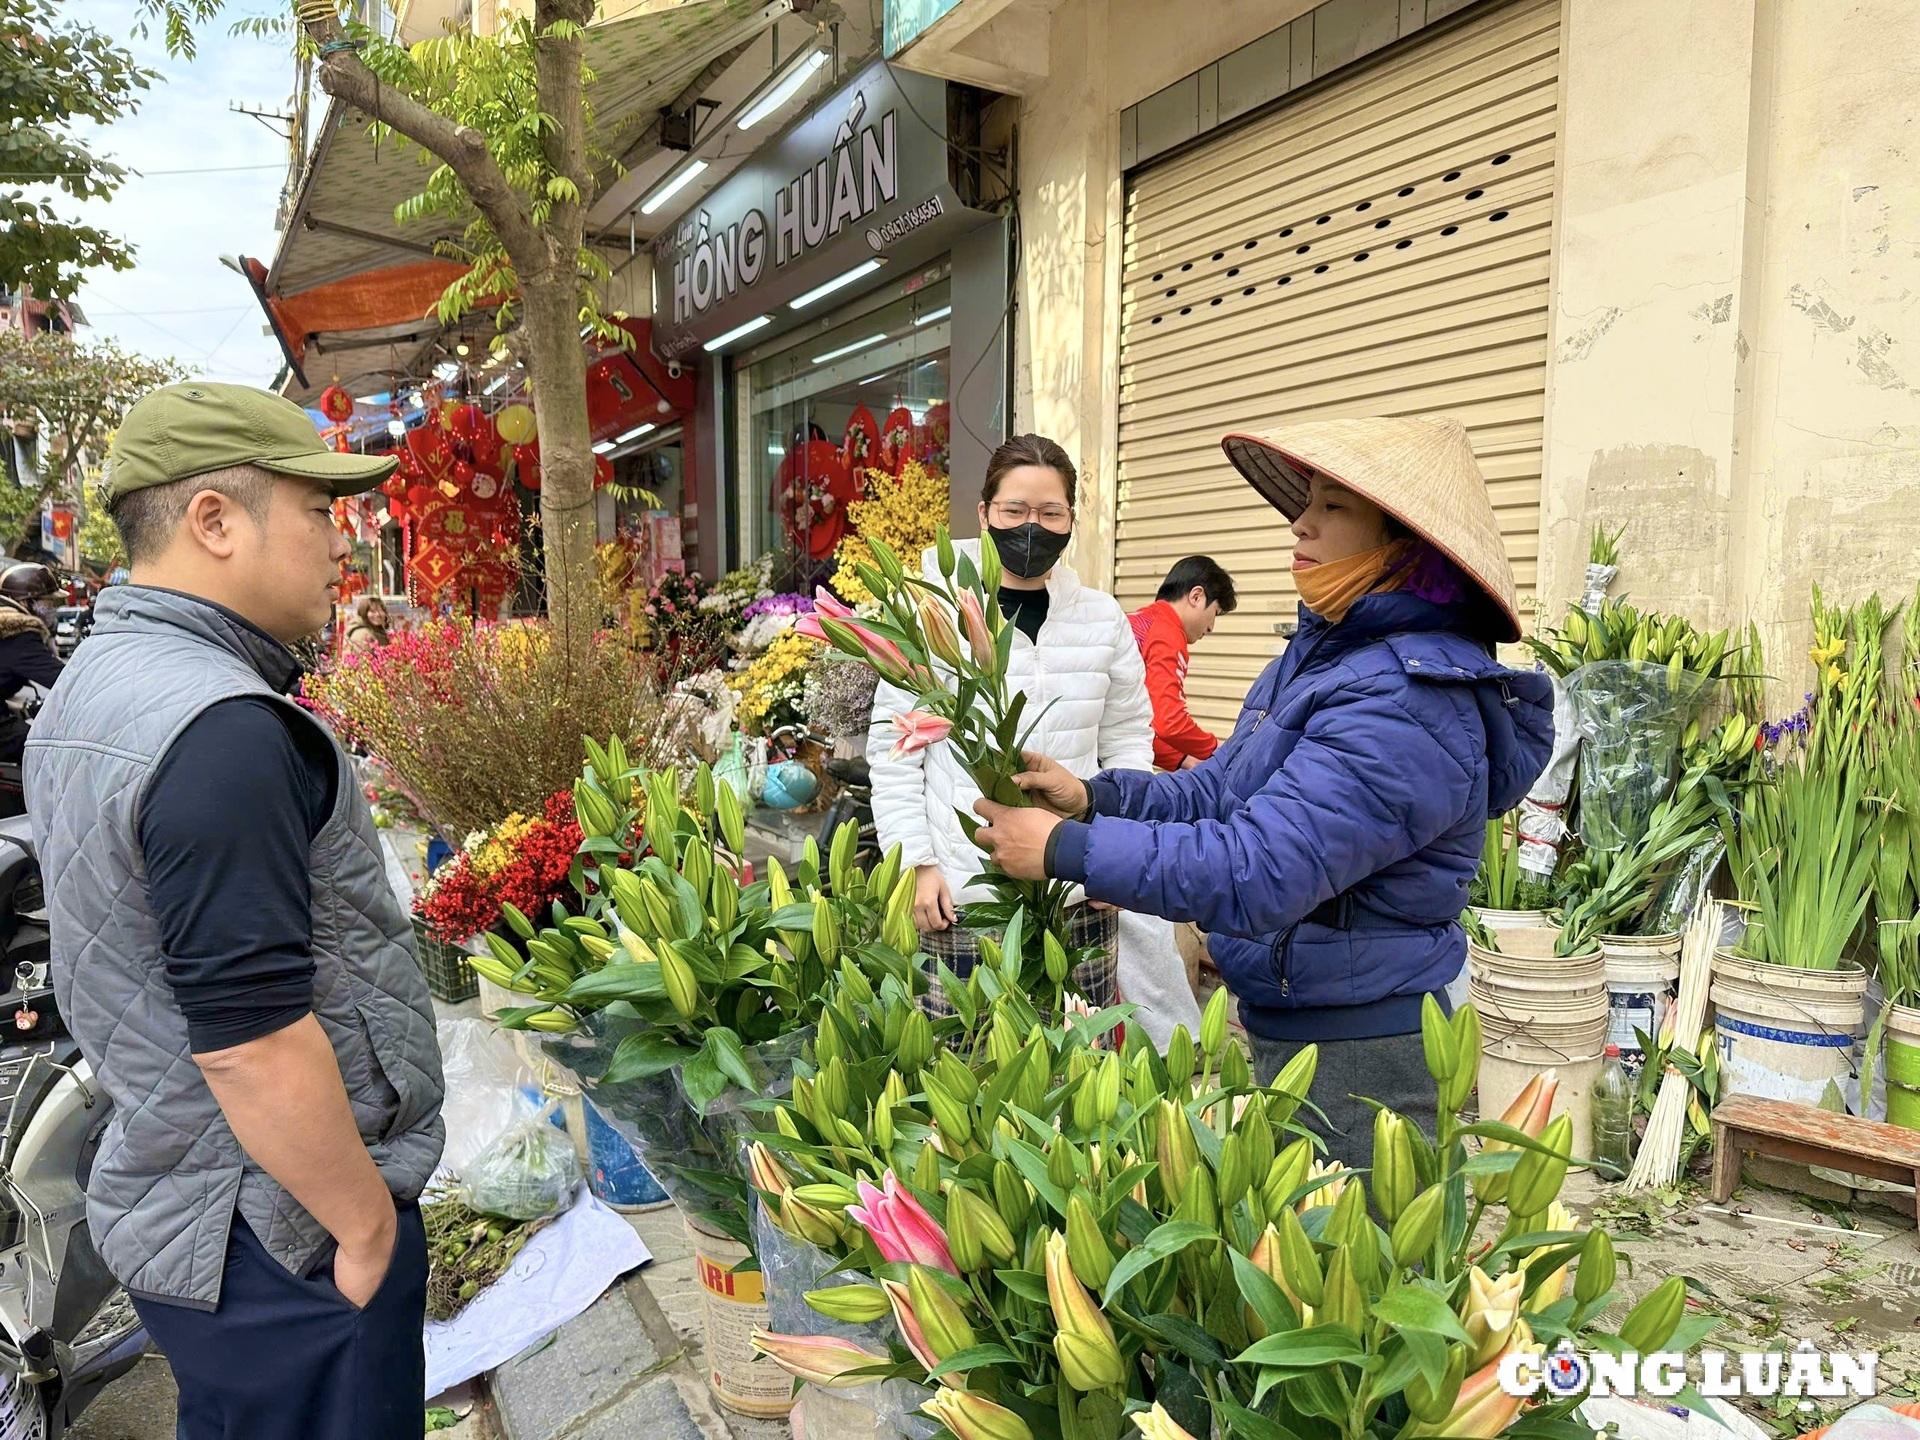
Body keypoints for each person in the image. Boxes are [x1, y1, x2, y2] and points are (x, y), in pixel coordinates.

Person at [23, 382, 446, 1440]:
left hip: (194, 1203)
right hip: (278, 1232)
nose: (342, 543)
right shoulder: (222, 727)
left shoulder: (98, 683)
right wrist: (361, 1233)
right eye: (317, 510)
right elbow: (251, 1042)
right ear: (214, 520)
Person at [972, 417, 1553, 1165]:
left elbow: (1259, 869)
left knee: (1353, 1268)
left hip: (1361, 1040)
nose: (1301, 522)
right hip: (1299, 1012)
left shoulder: (1405, 700)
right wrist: (1091, 798)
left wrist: (1067, 849)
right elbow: (1222, 790)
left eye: (1334, 507)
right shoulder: (1329, 660)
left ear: (1404, 548)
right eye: (1307, 501)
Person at [867, 433, 1206, 1048]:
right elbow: (894, 755)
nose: (1033, 527)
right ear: (984, 515)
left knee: (1082, 1079)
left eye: (1051, 513)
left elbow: (1129, 747)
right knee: (966, 1075)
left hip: (1076, 890)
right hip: (965, 891)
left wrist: (1116, 859)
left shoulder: (1102, 618)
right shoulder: (935, 613)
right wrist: (917, 865)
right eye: (1015, 511)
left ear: (1072, 518)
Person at [1130, 556, 1236, 772]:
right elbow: (1170, 722)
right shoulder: (1167, 633)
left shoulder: (1141, 620)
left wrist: (1182, 759)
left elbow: (1132, 726)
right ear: (1196, 596)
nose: (1211, 627)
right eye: (1214, 613)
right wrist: (1219, 751)